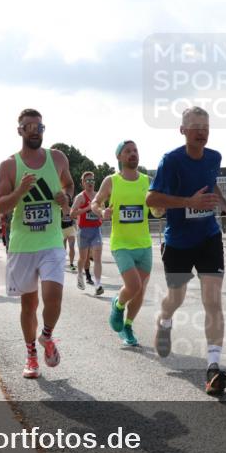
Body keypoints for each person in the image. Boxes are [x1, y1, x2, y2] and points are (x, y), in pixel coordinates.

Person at [146, 106, 226, 396]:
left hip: (208, 236)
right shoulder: (171, 161)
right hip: (177, 241)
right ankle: (164, 321)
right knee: (176, 297)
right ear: (183, 130)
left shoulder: (214, 157)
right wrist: (189, 201)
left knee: (212, 300)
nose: (202, 131)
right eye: (195, 126)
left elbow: (211, 184)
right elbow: (152, 198)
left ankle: (213, 367)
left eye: (206, 126)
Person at [0, 108, 74, 380]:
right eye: (28, 126)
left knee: (54, 297)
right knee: (28, 306)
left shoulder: (58, 158)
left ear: (43, 130)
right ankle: (30, 355)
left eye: (38, 127)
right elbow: (1, 205)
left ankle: (46, 336)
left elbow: (69, 185)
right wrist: (20, 191)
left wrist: (65, 197)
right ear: (19, 130)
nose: (34, 130)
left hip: (51, 241)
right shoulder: (10, 165)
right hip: (23, 245)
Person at [91, 140, 163, 347]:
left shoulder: (147, 181)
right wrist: (101, 211)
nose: (133, 154)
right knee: (133, 285)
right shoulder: (111, 181)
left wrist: (159, 210)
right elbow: (95, 202)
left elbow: (155, 208)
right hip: (121, 243)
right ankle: (118, 304)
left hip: (143, 244)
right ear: (119, 157)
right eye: (128, 151)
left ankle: (128, 325)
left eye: (135, 150)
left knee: (140, 290)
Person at [71, 171, 105, 295]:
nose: (90, 183)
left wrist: (103, 213)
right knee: (83, 258)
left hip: (96, 230)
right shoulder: (80, 197)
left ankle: (98, 285)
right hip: (83, 231)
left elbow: (103, 213)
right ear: (83, 183)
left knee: (97, 258)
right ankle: (80, 275)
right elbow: (72, 214)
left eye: (92, 180)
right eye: (88, 181)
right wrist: (87, 208)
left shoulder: (99, 196)